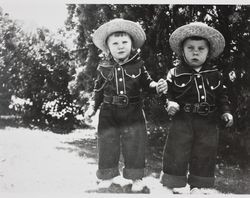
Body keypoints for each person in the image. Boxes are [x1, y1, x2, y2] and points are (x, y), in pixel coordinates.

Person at [85, 18, 168, 192]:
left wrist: (157, 87)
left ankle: (136, 178)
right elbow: (97, 92)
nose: (120, 46)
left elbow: (148, 84)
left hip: (134, 112)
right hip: (108, 112)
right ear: (108, 47)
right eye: (115, 43)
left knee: (135, 145)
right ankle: (107, 177)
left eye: (124, 42)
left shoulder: (138, 65)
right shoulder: (103, 67)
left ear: (132, 45)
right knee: (107, 143)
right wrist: (92, 108)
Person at [160, 22, 233, 194]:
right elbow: (167, 92)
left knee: (204, 152)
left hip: (208, 122)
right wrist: (170, 103)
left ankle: (198, 187)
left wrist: (226, 111)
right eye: (190, 47)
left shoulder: (215, 75)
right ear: (183, 51)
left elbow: (222, 97)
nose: (195, 52)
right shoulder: (175, 72)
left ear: (208, 52)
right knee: (176, 151)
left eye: (201, 48)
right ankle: (171, 184)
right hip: (182, 119)